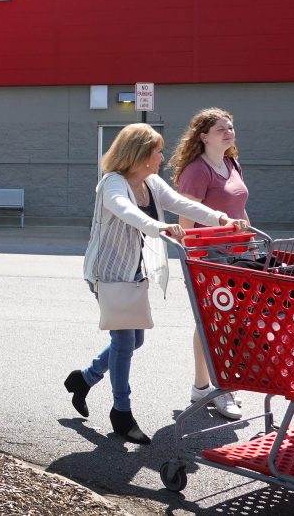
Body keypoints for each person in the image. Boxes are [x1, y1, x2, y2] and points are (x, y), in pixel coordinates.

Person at [63, 123, 247, 444]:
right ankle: (122, 413)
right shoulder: (112, 184)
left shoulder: (151, 182)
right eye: (157, 151)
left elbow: (182, 203)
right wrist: (160, 227)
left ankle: (85, 379)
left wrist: (221, 219)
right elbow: (126, 212)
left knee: (135, 342)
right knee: (124, 343)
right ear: (140, 154)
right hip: (109, 273)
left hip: (135, 272)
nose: (162, 157)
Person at [170, 107, 249, 420]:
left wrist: (254, 246)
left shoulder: (231, 164)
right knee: (215, 321)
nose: (228, 132)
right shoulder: (197, 171)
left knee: (227, 322)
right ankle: (217, 387)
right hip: (210, 258)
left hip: (240, 256)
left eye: (230, 127)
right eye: (221, 129)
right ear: (203, 136)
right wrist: (190, 259)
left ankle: (205, 387)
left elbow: (240, 210)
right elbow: (185, 221)